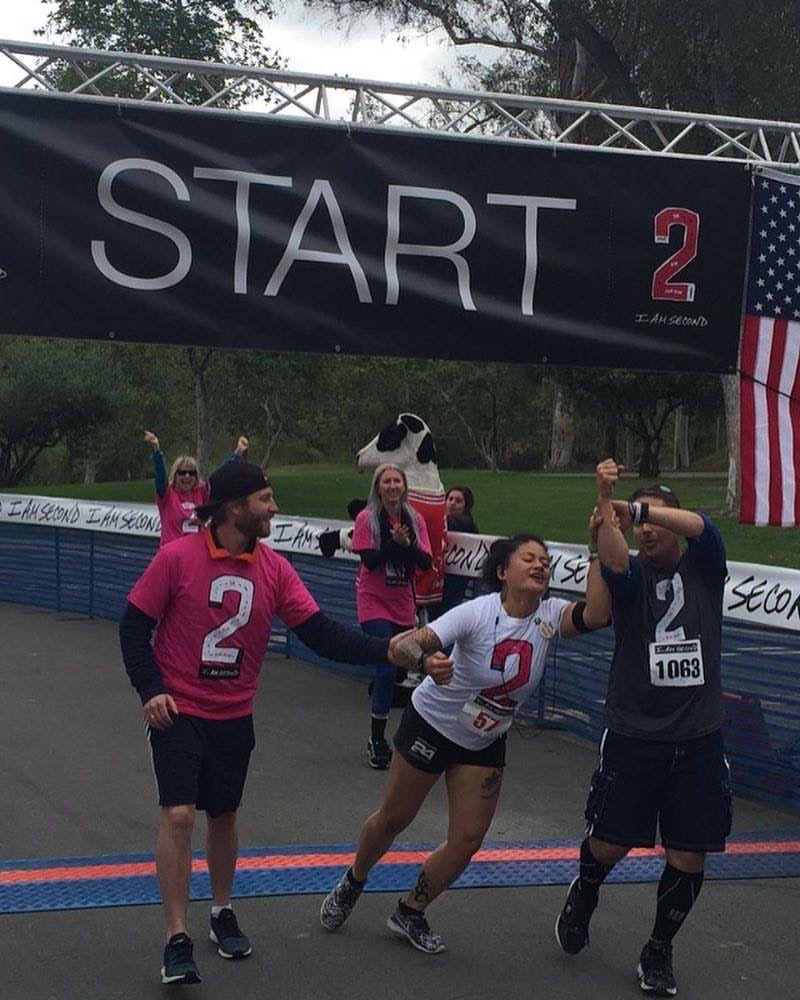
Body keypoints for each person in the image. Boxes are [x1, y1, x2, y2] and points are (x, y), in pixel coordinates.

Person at [119, 461, 426, 986]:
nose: (274, 508)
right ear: (235, 508)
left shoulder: (275, 569)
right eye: (265, 499)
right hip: (179, 709)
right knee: (179, 814)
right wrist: (152, 690)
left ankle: (221, 911)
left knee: (224, 814)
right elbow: (133, 627)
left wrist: (387, 650)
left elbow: (321, 633)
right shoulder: (176, 558)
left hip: (234, 713)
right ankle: (176, 938)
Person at [320, 531, 610, 954]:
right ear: (502, 571)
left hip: (484, 738)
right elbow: (408, 645)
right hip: (432, 725)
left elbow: (598, 614)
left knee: (468, 838)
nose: (540, 565)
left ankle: (410, 910)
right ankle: (354, 880)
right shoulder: (476, 612)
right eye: (528, 558)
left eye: (545, 561)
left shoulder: (551, 616)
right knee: (394, 818)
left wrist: (599, 547)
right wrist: (426, 661)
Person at [555, 459, 730, 998]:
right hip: (634, 732)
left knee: (689, 853)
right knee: (609, 844)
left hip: (698, 736)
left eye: (655, 519)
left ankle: (659, 947)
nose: (646, 530)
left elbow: (702, 526)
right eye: (638, 525)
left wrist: (638, 508)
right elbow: (612, 562)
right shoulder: (632, 577)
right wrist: (605, 507)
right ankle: (586, 889)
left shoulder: (705, 565)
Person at [352, 463, 433, 770]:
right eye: (386, 481)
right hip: (373, 602)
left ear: (404, 486)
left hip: (402, 603)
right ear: (378, 487)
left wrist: (408, 544)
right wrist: (391, 544)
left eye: (397, 481)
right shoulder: (367, 518)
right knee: (386, 669)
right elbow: (371, 562)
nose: (392, 486)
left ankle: (411, 734)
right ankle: (376, 739)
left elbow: (424, 562)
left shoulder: (415, 519)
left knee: (407, 671)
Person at [143, 429, 249, 546]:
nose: (187, 476)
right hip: (173, 552)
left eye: (191, 473)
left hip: (197, 552)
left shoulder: (201, 493)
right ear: (175, 475)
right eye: (182, 473)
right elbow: (160, 475)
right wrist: (156, 449)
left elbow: (220, 476)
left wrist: (238, 453)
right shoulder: (168, 496)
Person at [440, 486, 479, 614]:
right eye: (450, 499)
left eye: (458, 501)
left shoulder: (466, 523)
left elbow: (451, 524)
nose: (452, 503)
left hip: (456, 580)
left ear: (465, 506)